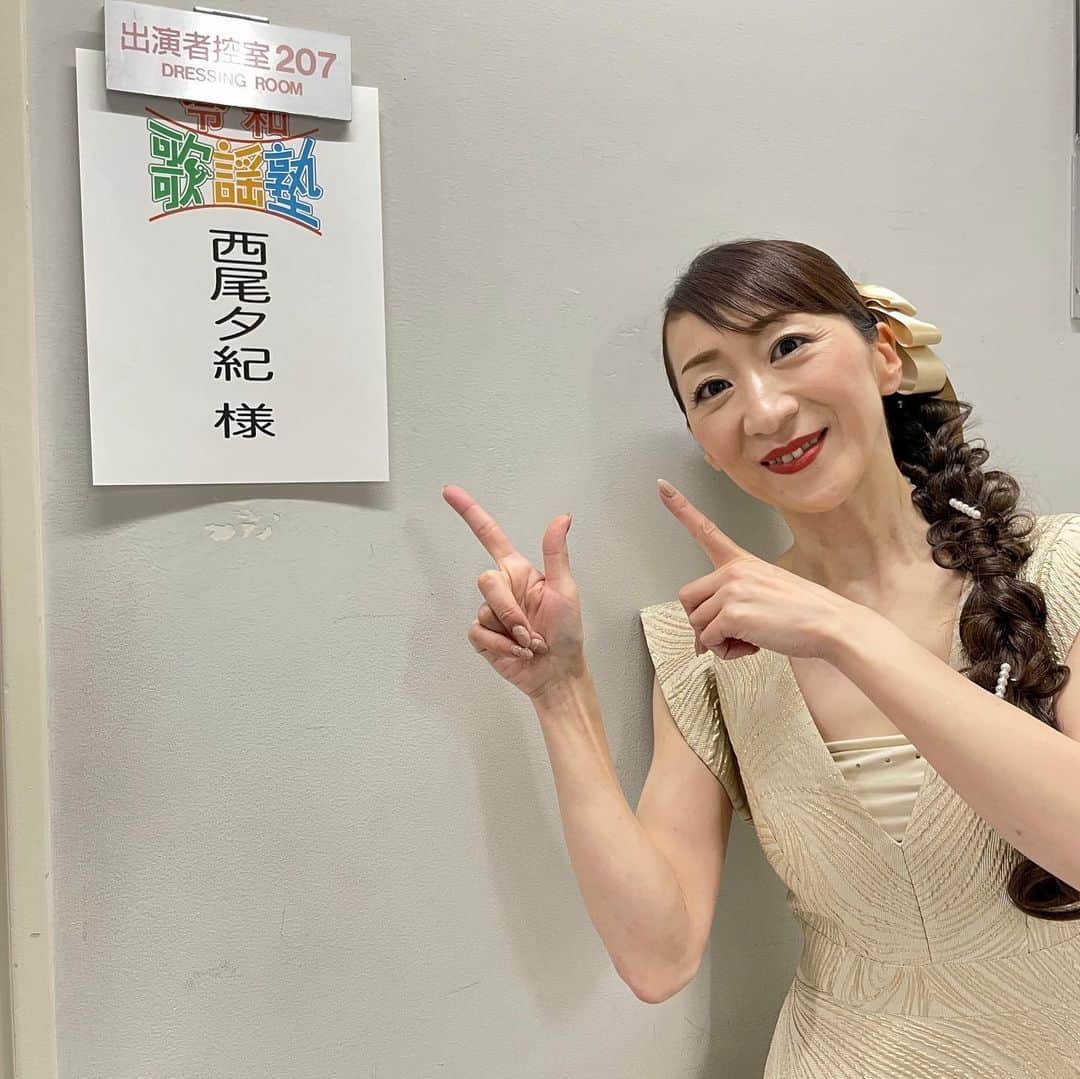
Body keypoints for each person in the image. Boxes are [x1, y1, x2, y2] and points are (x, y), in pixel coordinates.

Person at [443, 238, 1080, 1076]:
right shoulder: (708, 643)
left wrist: (843, 630)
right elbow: (657, 956)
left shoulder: (1062, 569)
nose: (765, 410)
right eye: (713, 387)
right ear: (704, 443)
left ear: (885, 355)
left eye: (788, 345)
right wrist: (559, 693)